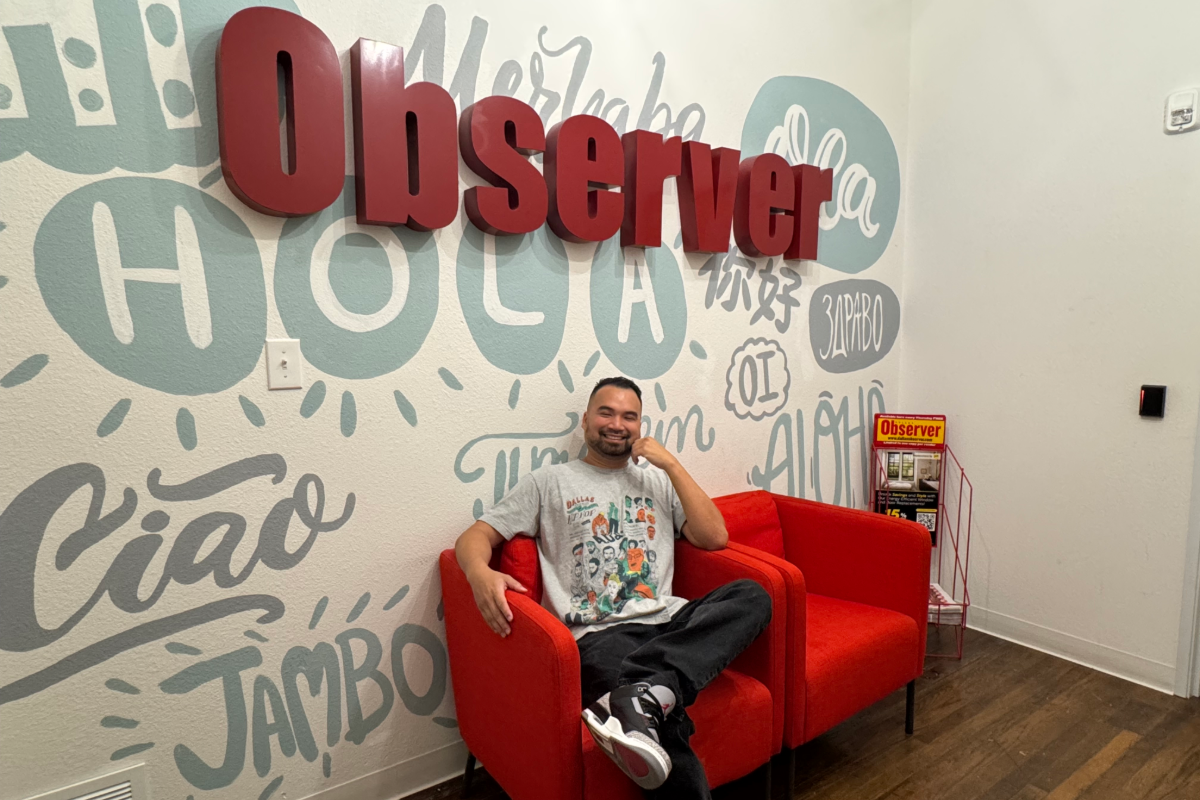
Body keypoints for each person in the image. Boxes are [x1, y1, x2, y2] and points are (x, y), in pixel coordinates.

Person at [454, 377, 772, 799]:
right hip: (599, 636)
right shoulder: (549, 482)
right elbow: (475, 537)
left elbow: (714, 537)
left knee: (752, 596)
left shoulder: (657, 481)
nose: (617, 424)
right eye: (606, 412)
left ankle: (644, 690)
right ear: (585, 420)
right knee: (659, 730)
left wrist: (672, 465)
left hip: (669, 618)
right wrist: (480, 573)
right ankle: (652, 696)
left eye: (629, 416)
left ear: (640, 426)